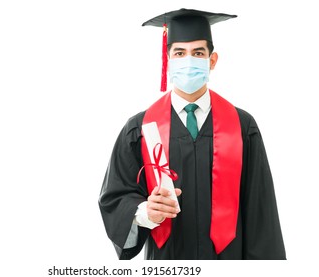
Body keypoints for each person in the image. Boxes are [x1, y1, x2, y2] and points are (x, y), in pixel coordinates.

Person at [98, 8, 286, 260]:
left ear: (212, 60)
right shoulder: (140, 128)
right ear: (168, 60)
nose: (188, 60)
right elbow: (115, 196)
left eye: (198, 53)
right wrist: (144, 212)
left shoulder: (242, 126)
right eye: (179, 53)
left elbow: (261, 211)